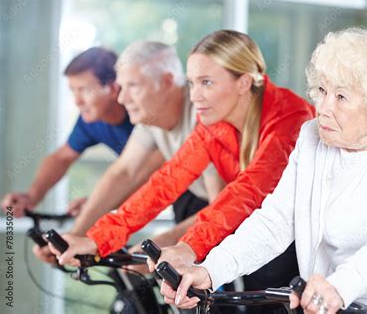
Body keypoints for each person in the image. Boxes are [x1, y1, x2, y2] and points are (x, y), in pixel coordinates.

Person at [160, 28, 367, 314]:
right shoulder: (314, 136)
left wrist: (341, 285)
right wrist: (211, 270)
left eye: (341, 97)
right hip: (338, 303)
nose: (323, 107)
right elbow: (275, 220)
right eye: (322, 90)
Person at [49, 30, 316, 313]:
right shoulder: (213, 123)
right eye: (191, 83)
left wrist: (188, 247)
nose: (195, 95)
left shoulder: (290, 118)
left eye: (207, 83)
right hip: (259, 238)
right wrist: (97, 239)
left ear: (244, 82)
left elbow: (248, 192)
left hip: (304, 245)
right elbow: (166, 182)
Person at [34, 41, 225, 265]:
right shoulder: (151, 118)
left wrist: (169, 242)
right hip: (211, 206)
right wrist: (74, 238)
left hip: (253, 213)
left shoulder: (204, 117)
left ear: (166, 81)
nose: (122, 99)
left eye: (132, 86)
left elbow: (222, 205)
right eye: (122, 87)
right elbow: (123, 173)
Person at [1, 47, 132, 218]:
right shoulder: (91, 120)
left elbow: (141, 175)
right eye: (73, 91)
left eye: (85, 90)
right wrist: (31, 196)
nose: (77, 101)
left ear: (113, 88)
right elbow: (61, 158)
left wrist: (97, 203)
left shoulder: (142, 115)